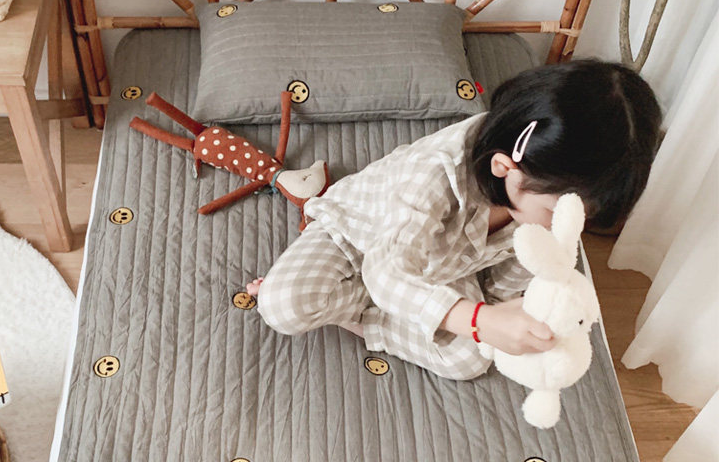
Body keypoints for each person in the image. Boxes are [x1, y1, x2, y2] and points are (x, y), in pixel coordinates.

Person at [246, 59, 662, 380]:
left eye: (581, 217)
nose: (564, 225)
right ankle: (359, 298)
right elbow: (384, 271)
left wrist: (508, 316)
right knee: (282, 307)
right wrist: (478, 320)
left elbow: (501, 290)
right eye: (557, 213)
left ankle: (366, 311)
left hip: (442, 265)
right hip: (361, 232)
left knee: (470, 360)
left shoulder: (552, 204)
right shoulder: (438, 171)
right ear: (505, 168)